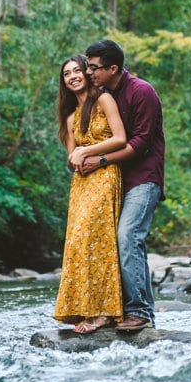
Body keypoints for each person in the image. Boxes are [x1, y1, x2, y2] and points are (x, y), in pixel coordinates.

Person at [75, 38, 165, 332]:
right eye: (88, 66)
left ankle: (139, 312)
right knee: (109, 243)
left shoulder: (142, 92)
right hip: (112, 184)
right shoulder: (102, 94)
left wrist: (100, 160)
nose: (89, 72)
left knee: (128, 237)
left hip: (143, 180)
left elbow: (139, 144)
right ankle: (125, 311)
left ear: (114, 68)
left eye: (95, 68)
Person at [52, 55, 128, 334]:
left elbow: (120, 138)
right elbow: (72, 155)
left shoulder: (105, 100)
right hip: (82, 183)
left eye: (76, 71)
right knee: (77, 243)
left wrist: (87, 151)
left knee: (99, 240)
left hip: (106, 176)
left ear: (85, 73)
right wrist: (77, 157)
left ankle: (104, 312)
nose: (72, 76)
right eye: (66, 74)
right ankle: (81, 308)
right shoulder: (71, 116)